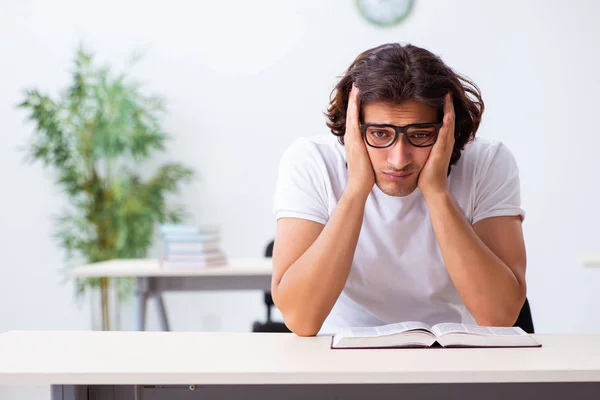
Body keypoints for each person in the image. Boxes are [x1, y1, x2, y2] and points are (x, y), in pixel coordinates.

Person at [271, 43, 527, 337]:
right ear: (353, 128)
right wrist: (356, 189)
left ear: (448, 127)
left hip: (456, 353)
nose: (399, 159)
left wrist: (437, 192)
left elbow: (499, 316)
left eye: (420, 135)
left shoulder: (488, 162)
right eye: (380, 133)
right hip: (340, 353)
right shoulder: (312, 160)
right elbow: (301, 319)